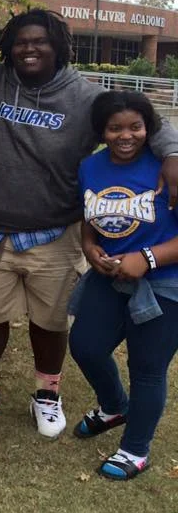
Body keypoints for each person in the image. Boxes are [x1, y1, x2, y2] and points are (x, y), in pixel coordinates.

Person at [0, 8, 178, 439]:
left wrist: (172, 154)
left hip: (56, 231)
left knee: (51, 320)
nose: (30, 48)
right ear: (9, 47)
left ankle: (47, 393)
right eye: (21, 41)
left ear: (58, 45)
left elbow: (145, 120)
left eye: (40, 41)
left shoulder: (85, 97)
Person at [70, 91, 178, 480]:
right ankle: (115, 406)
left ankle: (135, 449)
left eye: (135, 127)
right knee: (85, 346)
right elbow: (89, 215)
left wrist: (147, 258)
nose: (126, 136)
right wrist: (89, 246)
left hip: (164, 282)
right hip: (110, 277)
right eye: (115, 128)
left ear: (149, 128)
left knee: (147, 367)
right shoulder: (91, 166)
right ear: (101, 131)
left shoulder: (167, 168)